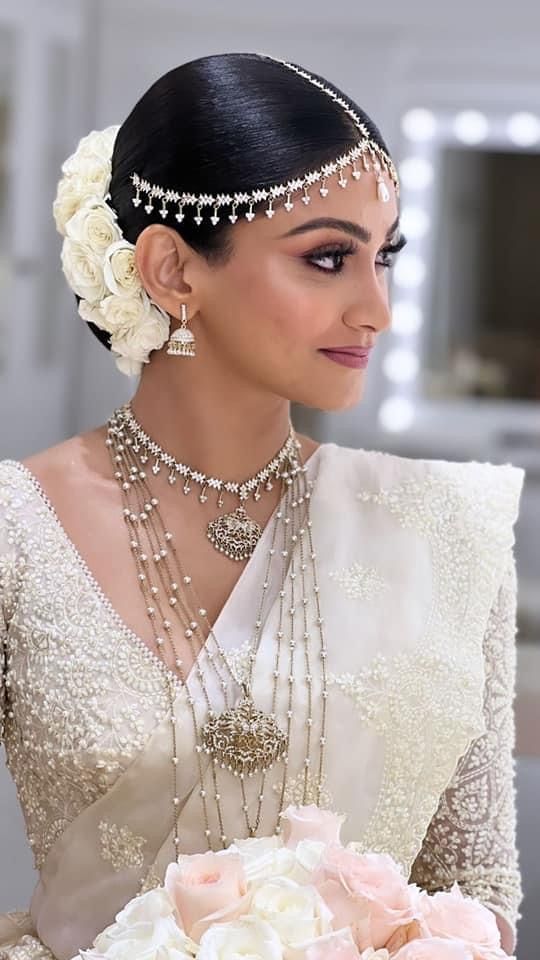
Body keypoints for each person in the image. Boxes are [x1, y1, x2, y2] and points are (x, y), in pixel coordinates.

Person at [0, 52, 524, 958]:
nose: (378, 309)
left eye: (384, 257)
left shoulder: (445, 531)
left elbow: (477, 890)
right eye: (328, 258)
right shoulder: (18, 527)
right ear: (171, 270)